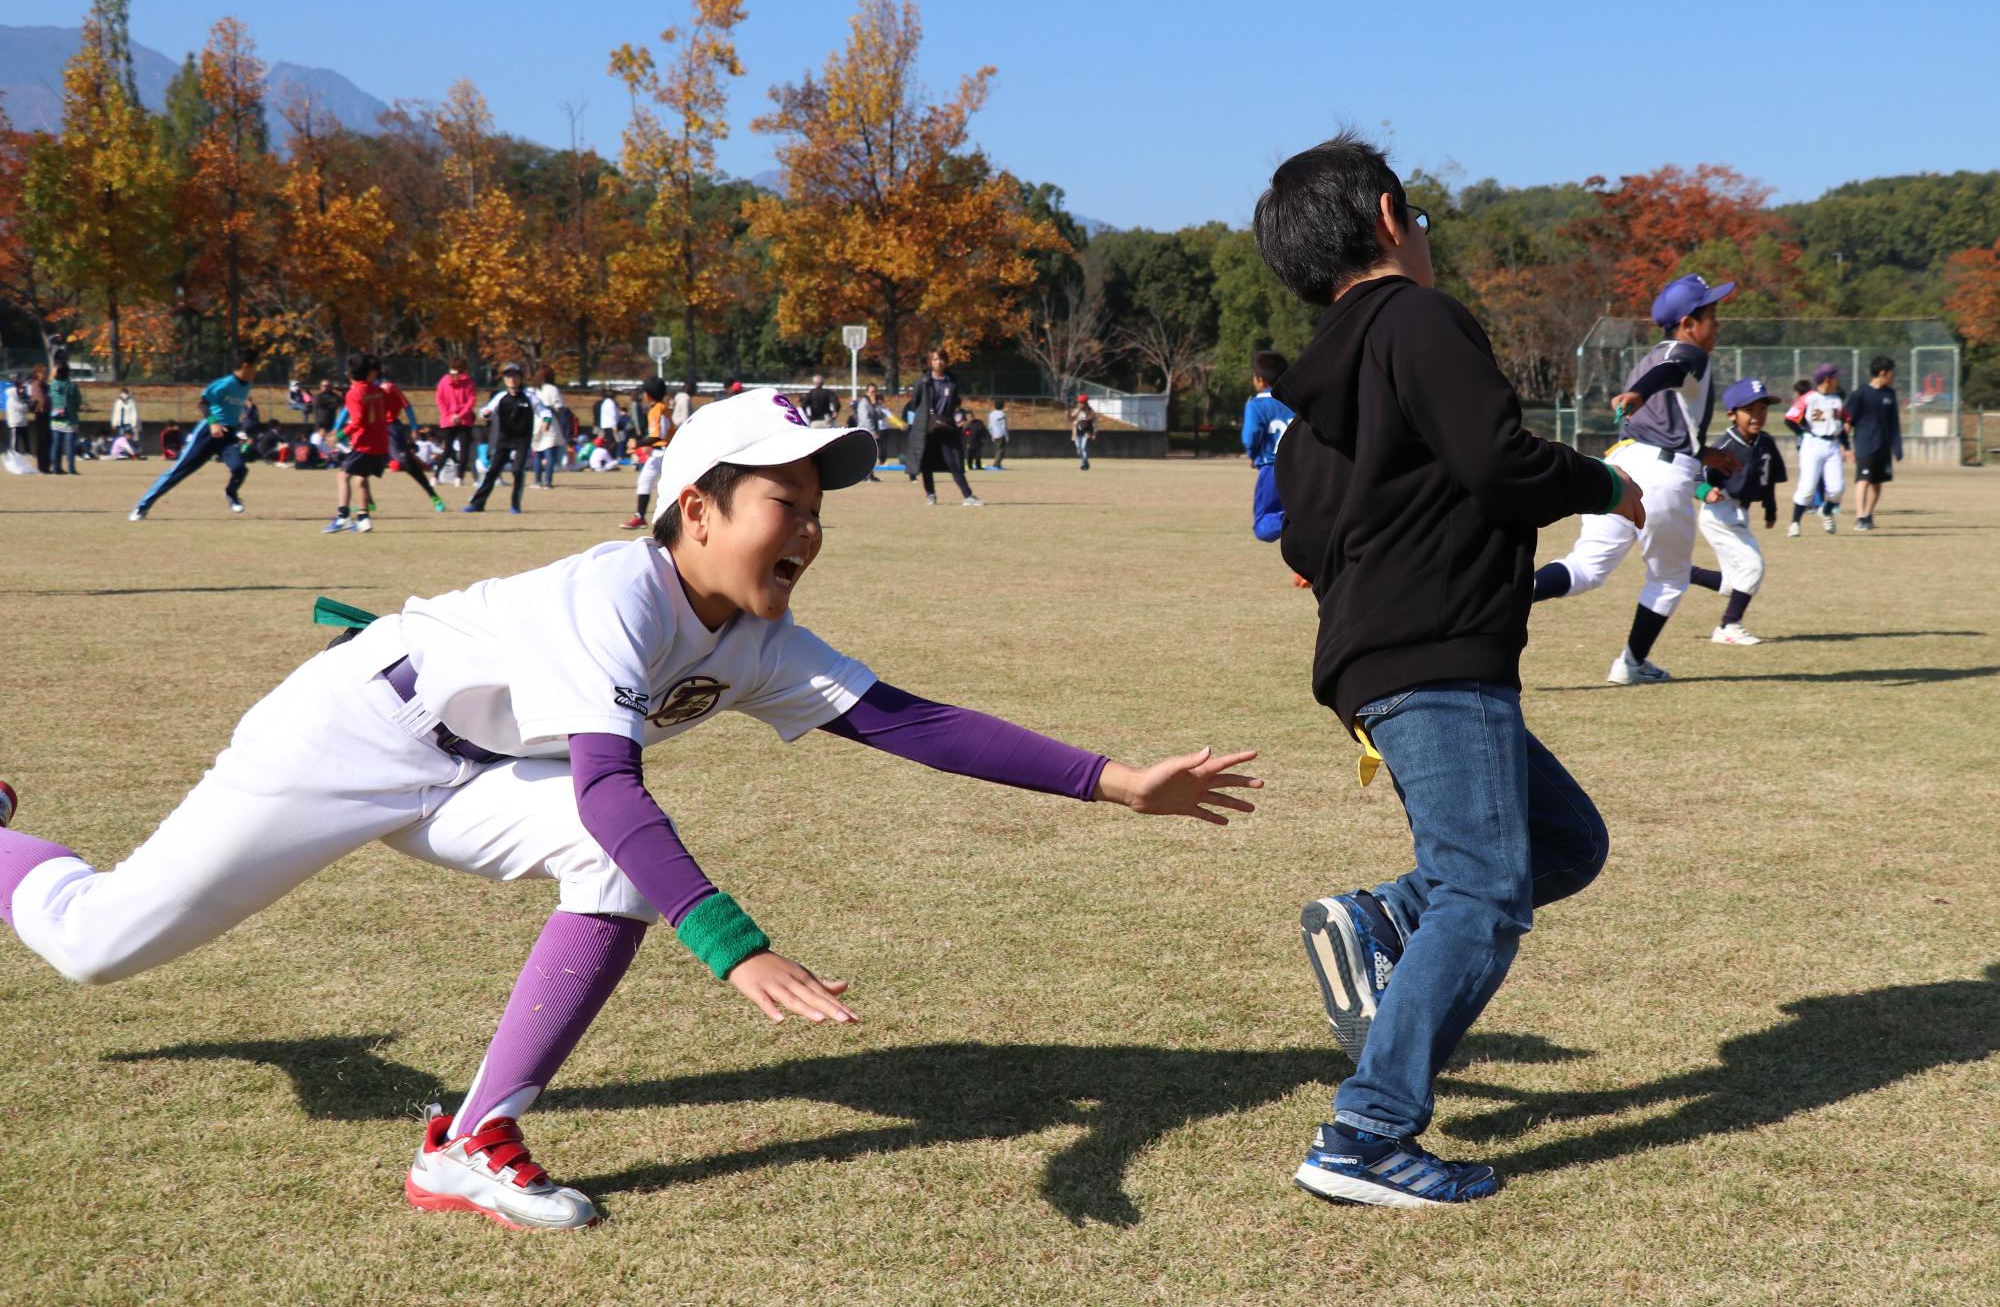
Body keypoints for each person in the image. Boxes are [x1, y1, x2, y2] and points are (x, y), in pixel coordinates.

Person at [0, 385, 1261, 1232]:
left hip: (477, 770)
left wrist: (1120, 781)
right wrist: (729, 941)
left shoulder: (756, 634)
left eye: (819, 508)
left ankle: (469, 1141)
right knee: (96, 942)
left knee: (604, 868)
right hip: (351, 730)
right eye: (786, 501)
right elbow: (608, 781)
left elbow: (909, 723)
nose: (809, 530)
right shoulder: (619, 590)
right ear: (696, 508)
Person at [1257, 131, 1638, 1208]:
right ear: (1387, 217)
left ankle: (1378, 921)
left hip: (1377, 659)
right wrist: (1601, 484)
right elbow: (1494, 460)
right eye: (1416, 217)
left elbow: (1298, 538)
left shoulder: (1310, 394)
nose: (1423, 235)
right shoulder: (1418, 319)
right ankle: (1366, 1134)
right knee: (1479, 883)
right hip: (1434, 654)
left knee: (1563, 841)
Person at [1529, 273, 1742, 684]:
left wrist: (1705, 452)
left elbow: (1664, 416)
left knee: (1586, 567)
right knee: (1669, 577)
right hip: (1662, 476)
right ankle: (1632, 664)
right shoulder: (1690, 353)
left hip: (1622, 466)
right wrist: (1642, 393)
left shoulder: (1649, 356)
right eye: (1712, 314)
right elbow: (1669, 374)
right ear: (1687, 323)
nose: (1717, 324)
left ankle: (1512, 594)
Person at [1688, 378, 1788, 645]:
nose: (1758, 415)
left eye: (1763, 409)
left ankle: (1684, 573)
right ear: (1733, 414)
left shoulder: (1765, 443)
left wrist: (1771, 508)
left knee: (1735, 583)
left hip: (1739, 513)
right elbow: (1693, 476)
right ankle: (1728, 626)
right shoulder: (1723, 446)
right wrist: (1705, 492)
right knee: (1753, 568)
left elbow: (1767, 480)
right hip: (1719, 512)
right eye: (1750, 410)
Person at [130, 348, 259, 521]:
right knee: (178, 472)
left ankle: (231, 494)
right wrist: (213, 423)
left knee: (239, 469)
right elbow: (203, 403)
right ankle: (142, 507)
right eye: (255, 366)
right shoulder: (224, 384)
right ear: (245, 366)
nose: (257, 370)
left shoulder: (247, 384)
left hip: (227, 436)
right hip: (208, 433)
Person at [908, 348, 981, 506]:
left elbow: (955, 402)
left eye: (941, 359)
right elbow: (914, 403)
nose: (938, 362)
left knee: (953, 462)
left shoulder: (952, 381)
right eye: (934, 359)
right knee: (926, 463)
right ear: (930, 362)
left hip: (946, 427)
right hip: (927, 429)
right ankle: (931, 495)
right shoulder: (923, 381)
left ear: (946, 361)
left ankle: (968, 496)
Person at [327, 352, 389, 534]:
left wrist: (338, 436)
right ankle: (363, 520)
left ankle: (342, 517)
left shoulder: (354, 393)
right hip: (381, 444)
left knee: (343, 476)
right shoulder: (378, 391)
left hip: (365, 445)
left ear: (349, 374)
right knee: (361, 479)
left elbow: (358, 421)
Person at [1785, 363, 1849, 537]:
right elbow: (1790, 418)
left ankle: (1826, 511)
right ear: (1827, 379)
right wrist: (1803, 433)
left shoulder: (1837, 399)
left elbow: (1840, 425)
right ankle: (1795, 523)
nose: (1838, 380)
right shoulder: (1809, 397)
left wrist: (1847, 447)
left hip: (1833, 444)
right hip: (1813, 444)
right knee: (1807, 487)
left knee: (1837, 489)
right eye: (1836, 377)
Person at [465, 363, 535, 515]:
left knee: (517, 471)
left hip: (523, 440)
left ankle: (515, 505)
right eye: (508, 376)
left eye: (515, 375)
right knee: (492, 471)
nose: (511, 379)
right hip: (505, 439)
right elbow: (487, 411)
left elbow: (544, 412)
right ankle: (477, 503)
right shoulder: (501, 397)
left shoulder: (529, 397)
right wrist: (486, 413)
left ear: (520, 377)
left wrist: (547, 422)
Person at [378, 364, 448, 513]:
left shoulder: (389, 387)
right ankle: (367, 504)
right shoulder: (365, 387)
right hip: (374, 428)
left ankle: (434, 496)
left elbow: (407, 406)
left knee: (408, 464)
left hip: (391, 429)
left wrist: (414, 426)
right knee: (358, 466)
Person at [1242, 351, 1296, 541]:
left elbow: (1251, 436)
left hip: (1272, 468)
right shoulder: (1297, 400)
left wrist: (1252, 454)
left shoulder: (1257, 404)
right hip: (1305, 468)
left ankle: (1299, 520)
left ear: (1260, 380)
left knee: (1263, 527)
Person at [1847, 356, 1901, 531]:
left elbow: (1895, 422)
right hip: (1865, 445)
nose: (1894, 377)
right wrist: (1844, 447)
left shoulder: (1890, 395)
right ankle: (1860, 516)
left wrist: (1897, 446)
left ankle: (1868, 515)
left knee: (1877, 483)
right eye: (1892, 373)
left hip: (1883, 447)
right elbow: (1848, 421)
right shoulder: (1860, 394)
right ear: (1883, 373)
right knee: (1863, 480)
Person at [621, 378, 674, 530]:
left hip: (663, 454)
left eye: (644, 392)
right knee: (647, 482)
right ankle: (640, 517)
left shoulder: (657, 409)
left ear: (649, 394)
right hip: (662, 453)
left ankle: (643, 517)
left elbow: (659, 436)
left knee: (653, 484)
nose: (643, 395)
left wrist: (637, 444)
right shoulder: (660, 408)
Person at [435, 361, 479, 487]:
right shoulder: (468, 381)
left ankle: (437, 476)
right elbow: (471, 401)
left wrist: (451, 415)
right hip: (462, 420)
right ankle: (458, 477)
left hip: (452, 420)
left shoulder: (444, 381)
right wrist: (458, 415)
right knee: (462, 450)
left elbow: (439, 399)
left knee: (449, 449)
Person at [531, 365, 565, 490]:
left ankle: (537, 481)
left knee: (538, 453)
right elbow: (559, 407)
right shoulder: (552, 389)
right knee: (549, 452)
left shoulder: (533, 390)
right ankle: (548, 481)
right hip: (549, 421)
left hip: (535, 423)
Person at [46, 363, 82, 475]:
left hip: (56, 418)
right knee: (70, 445)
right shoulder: (72, 385)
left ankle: (56, 467)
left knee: (56, 444)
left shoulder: (53, 385)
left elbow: (50, 399)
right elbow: (78, 401)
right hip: (70, 419)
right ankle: (71, 468)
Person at [852, 384, 888, 482]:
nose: (874, 394)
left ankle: (869, 475)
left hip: (871, 431)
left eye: (875, 391)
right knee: (867, 455)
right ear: (867, 392)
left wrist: (877, 405)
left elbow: (880, 416)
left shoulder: (872, 403)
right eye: (872, 392)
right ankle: (866, 475)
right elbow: (865, 419)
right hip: (865, 432)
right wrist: (873, 432)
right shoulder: (864, 403)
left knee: (871, 455)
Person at [27, 363, 52, 473]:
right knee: (42, 440)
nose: (45, 374)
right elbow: (42, 400)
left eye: (46, 372)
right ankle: (42, 466)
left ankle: (47, 465)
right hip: (41, 414)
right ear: (37, 373)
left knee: (48, 440)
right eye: (43, 372)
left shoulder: (46, 386)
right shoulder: (36, 385)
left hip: (48, 414)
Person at [1069, 395, 1097, 470]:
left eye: (1081, 402)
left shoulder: (1091, 411)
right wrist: (1078, 409)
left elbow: (1094, 423)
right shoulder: (1078, 409)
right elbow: (1072, 415)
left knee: (1083, 448)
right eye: (1078, 402)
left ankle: (1084, 465)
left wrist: (1094, 433)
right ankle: (1086, 463)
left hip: (1086, 432)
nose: (1079, 403)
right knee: (1079, 449)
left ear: (1085, 402)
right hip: (1077, 431)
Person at [985, 398, 1009, 469]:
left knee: (998, 449)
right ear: (1003, 406)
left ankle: (997, 464)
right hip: (1001, 434)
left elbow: (990, 426)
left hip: (994, 434)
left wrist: (992, 434)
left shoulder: (991, 414)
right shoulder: (1002, 414)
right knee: (1001, 450)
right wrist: (1007, 436)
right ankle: (996, 464)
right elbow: (1004, 426)